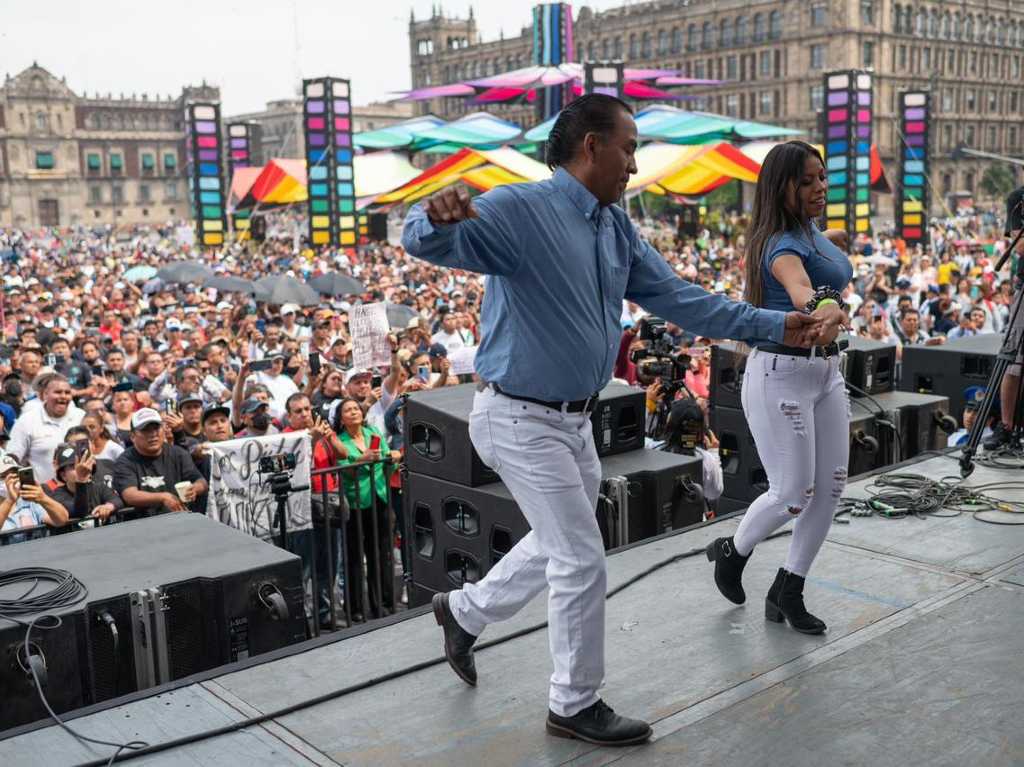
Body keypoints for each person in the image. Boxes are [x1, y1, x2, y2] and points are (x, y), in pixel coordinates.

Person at [402, 95, 821, 746]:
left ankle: (462, 610)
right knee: (579, 555)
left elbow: (683, 299)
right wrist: (432, 216)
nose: (634, 162)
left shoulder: (615, 227)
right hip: (517, 415)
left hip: (572, 420)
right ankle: (573, 702)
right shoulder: (522, 208)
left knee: (560, 541)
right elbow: (423, 239)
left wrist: (774, 325)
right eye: (628, 147)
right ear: (591, 147)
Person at [704, 141, 851, 639]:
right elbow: (801, 290)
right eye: (807, 182)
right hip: (780, 377)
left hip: (827, 374)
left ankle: (788, 589)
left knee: (829, 489)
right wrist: (825, 305)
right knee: (793, 491)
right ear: (781, 187)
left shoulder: (809, 232)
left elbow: (823, 268)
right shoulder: (778, 246)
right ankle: (732, 551)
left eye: (822, 178)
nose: (819, 189)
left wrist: (833, 274)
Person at [334, 396, 400, 621]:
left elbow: (386, 461)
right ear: (341, 419)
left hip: (380, 499)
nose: (353, 412)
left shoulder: (374, 433)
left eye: (355, 408)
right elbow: (345, 471)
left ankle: (384, 604)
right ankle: (356, 609)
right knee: (354, 558)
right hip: (355, 505)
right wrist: (361, 460)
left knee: (381, 555)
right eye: (348, 410)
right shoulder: (340, 441)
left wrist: (391, 457)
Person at [112, 408, 207, 514]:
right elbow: (130, 495)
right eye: (146, 430)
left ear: (163, 430)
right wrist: (163, 497)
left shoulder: (178, 453)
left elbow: (201, 481)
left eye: (156, 428)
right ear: (133, 436)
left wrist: (194, 489)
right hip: (144, 523)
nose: (153, 434)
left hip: (181, 518)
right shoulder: (125, 460)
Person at [7, 373, 85, 484]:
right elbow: (12, 458)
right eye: (57, 392)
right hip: (42, 495)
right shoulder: (27, 421)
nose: (63, 396)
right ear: (45, 395)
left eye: (67, 392)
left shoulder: (81, 417)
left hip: (80, 492)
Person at [43, 443, 121, 521]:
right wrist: (80, 481)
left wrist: (107, 507)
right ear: (63, 475)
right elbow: (79, 511)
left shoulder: (99, 487)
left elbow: (117, 500)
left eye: (83, 463)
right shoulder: (56, 495)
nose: (81, 468)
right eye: (74, 466)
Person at [0, 454, 69, 536]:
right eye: (3, 476)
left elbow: (62, 520)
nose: (10, 481)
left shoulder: (29, 502)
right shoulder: (9, 501)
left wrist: (43, 498)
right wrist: (9, 500)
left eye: (14, 475)